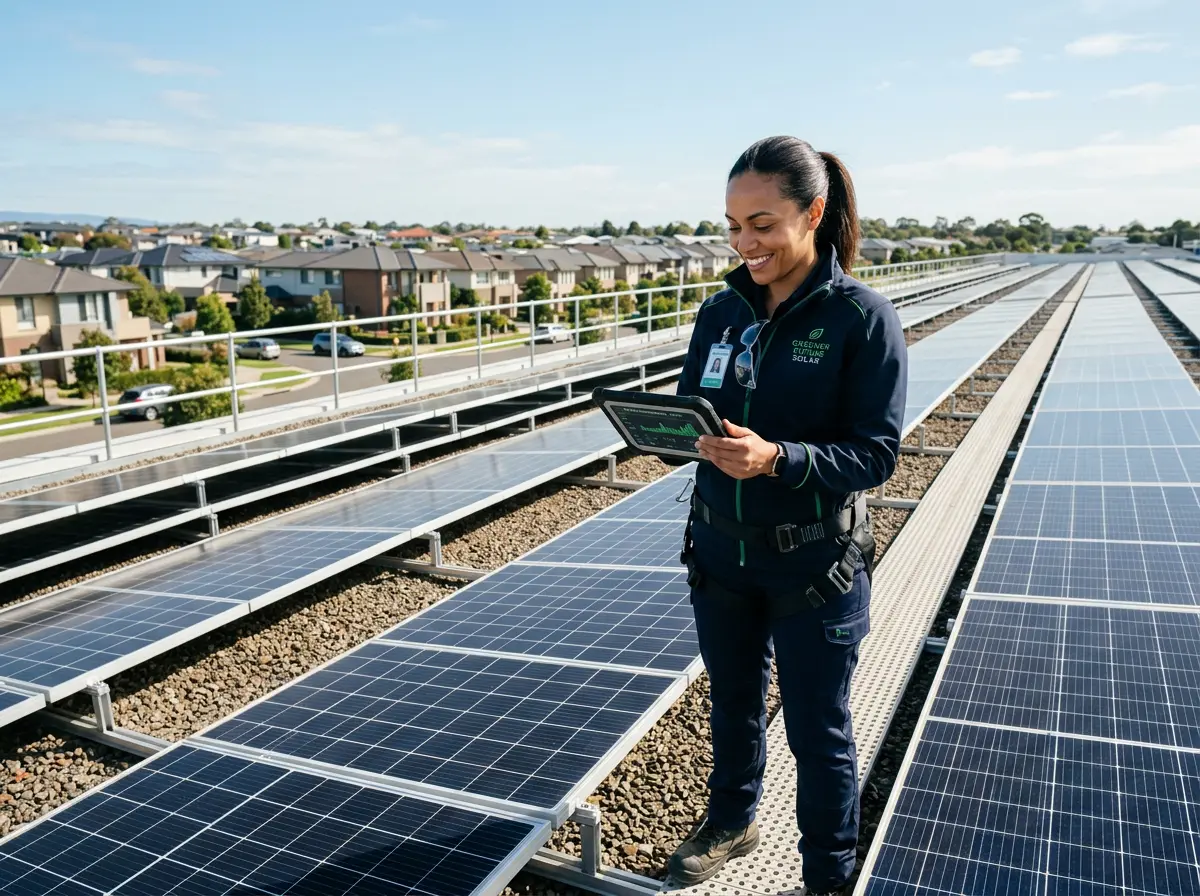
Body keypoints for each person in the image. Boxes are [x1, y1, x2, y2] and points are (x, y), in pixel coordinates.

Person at [666, 136, 907, 895]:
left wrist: (780, 459)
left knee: (817, 731)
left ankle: (827, 876)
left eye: (763, 224)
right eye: (734, 225)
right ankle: (733, 821)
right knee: (732, 705)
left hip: (812, 565)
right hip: (722, 556)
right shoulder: (721, 311)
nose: (746, 243)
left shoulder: (859, 318)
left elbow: (875, 455)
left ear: (814, 213)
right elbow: (691, 407)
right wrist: (672, 432)